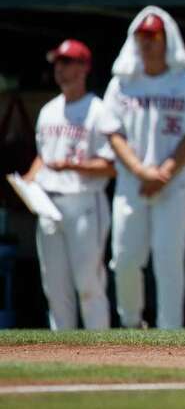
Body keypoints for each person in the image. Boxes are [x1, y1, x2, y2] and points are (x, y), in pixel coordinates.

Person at [104, 7, 185, 329]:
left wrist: (164, 171)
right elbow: (113, 132)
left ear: (167, 40)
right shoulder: (122, 84)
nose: (147, 43)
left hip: (173, 184)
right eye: (142, 37)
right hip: (131, 184)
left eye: (153, 37)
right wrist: (140, 171)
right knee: (124, 259)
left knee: (168, 261)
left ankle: (170, 332)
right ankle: (131, 322)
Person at [22, 40, 118, 330]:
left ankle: (101, 353)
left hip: (85, 201)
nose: (60, 70)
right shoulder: (49, 111)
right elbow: (43, 156)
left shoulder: (99, 110)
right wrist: (27, 179)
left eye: (67, 63)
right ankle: (62, 354)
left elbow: (111, 166)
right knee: (54, 287)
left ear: (84, 68)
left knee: (88, 284)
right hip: (49, 203)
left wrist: (72, 166)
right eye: (57, 64)